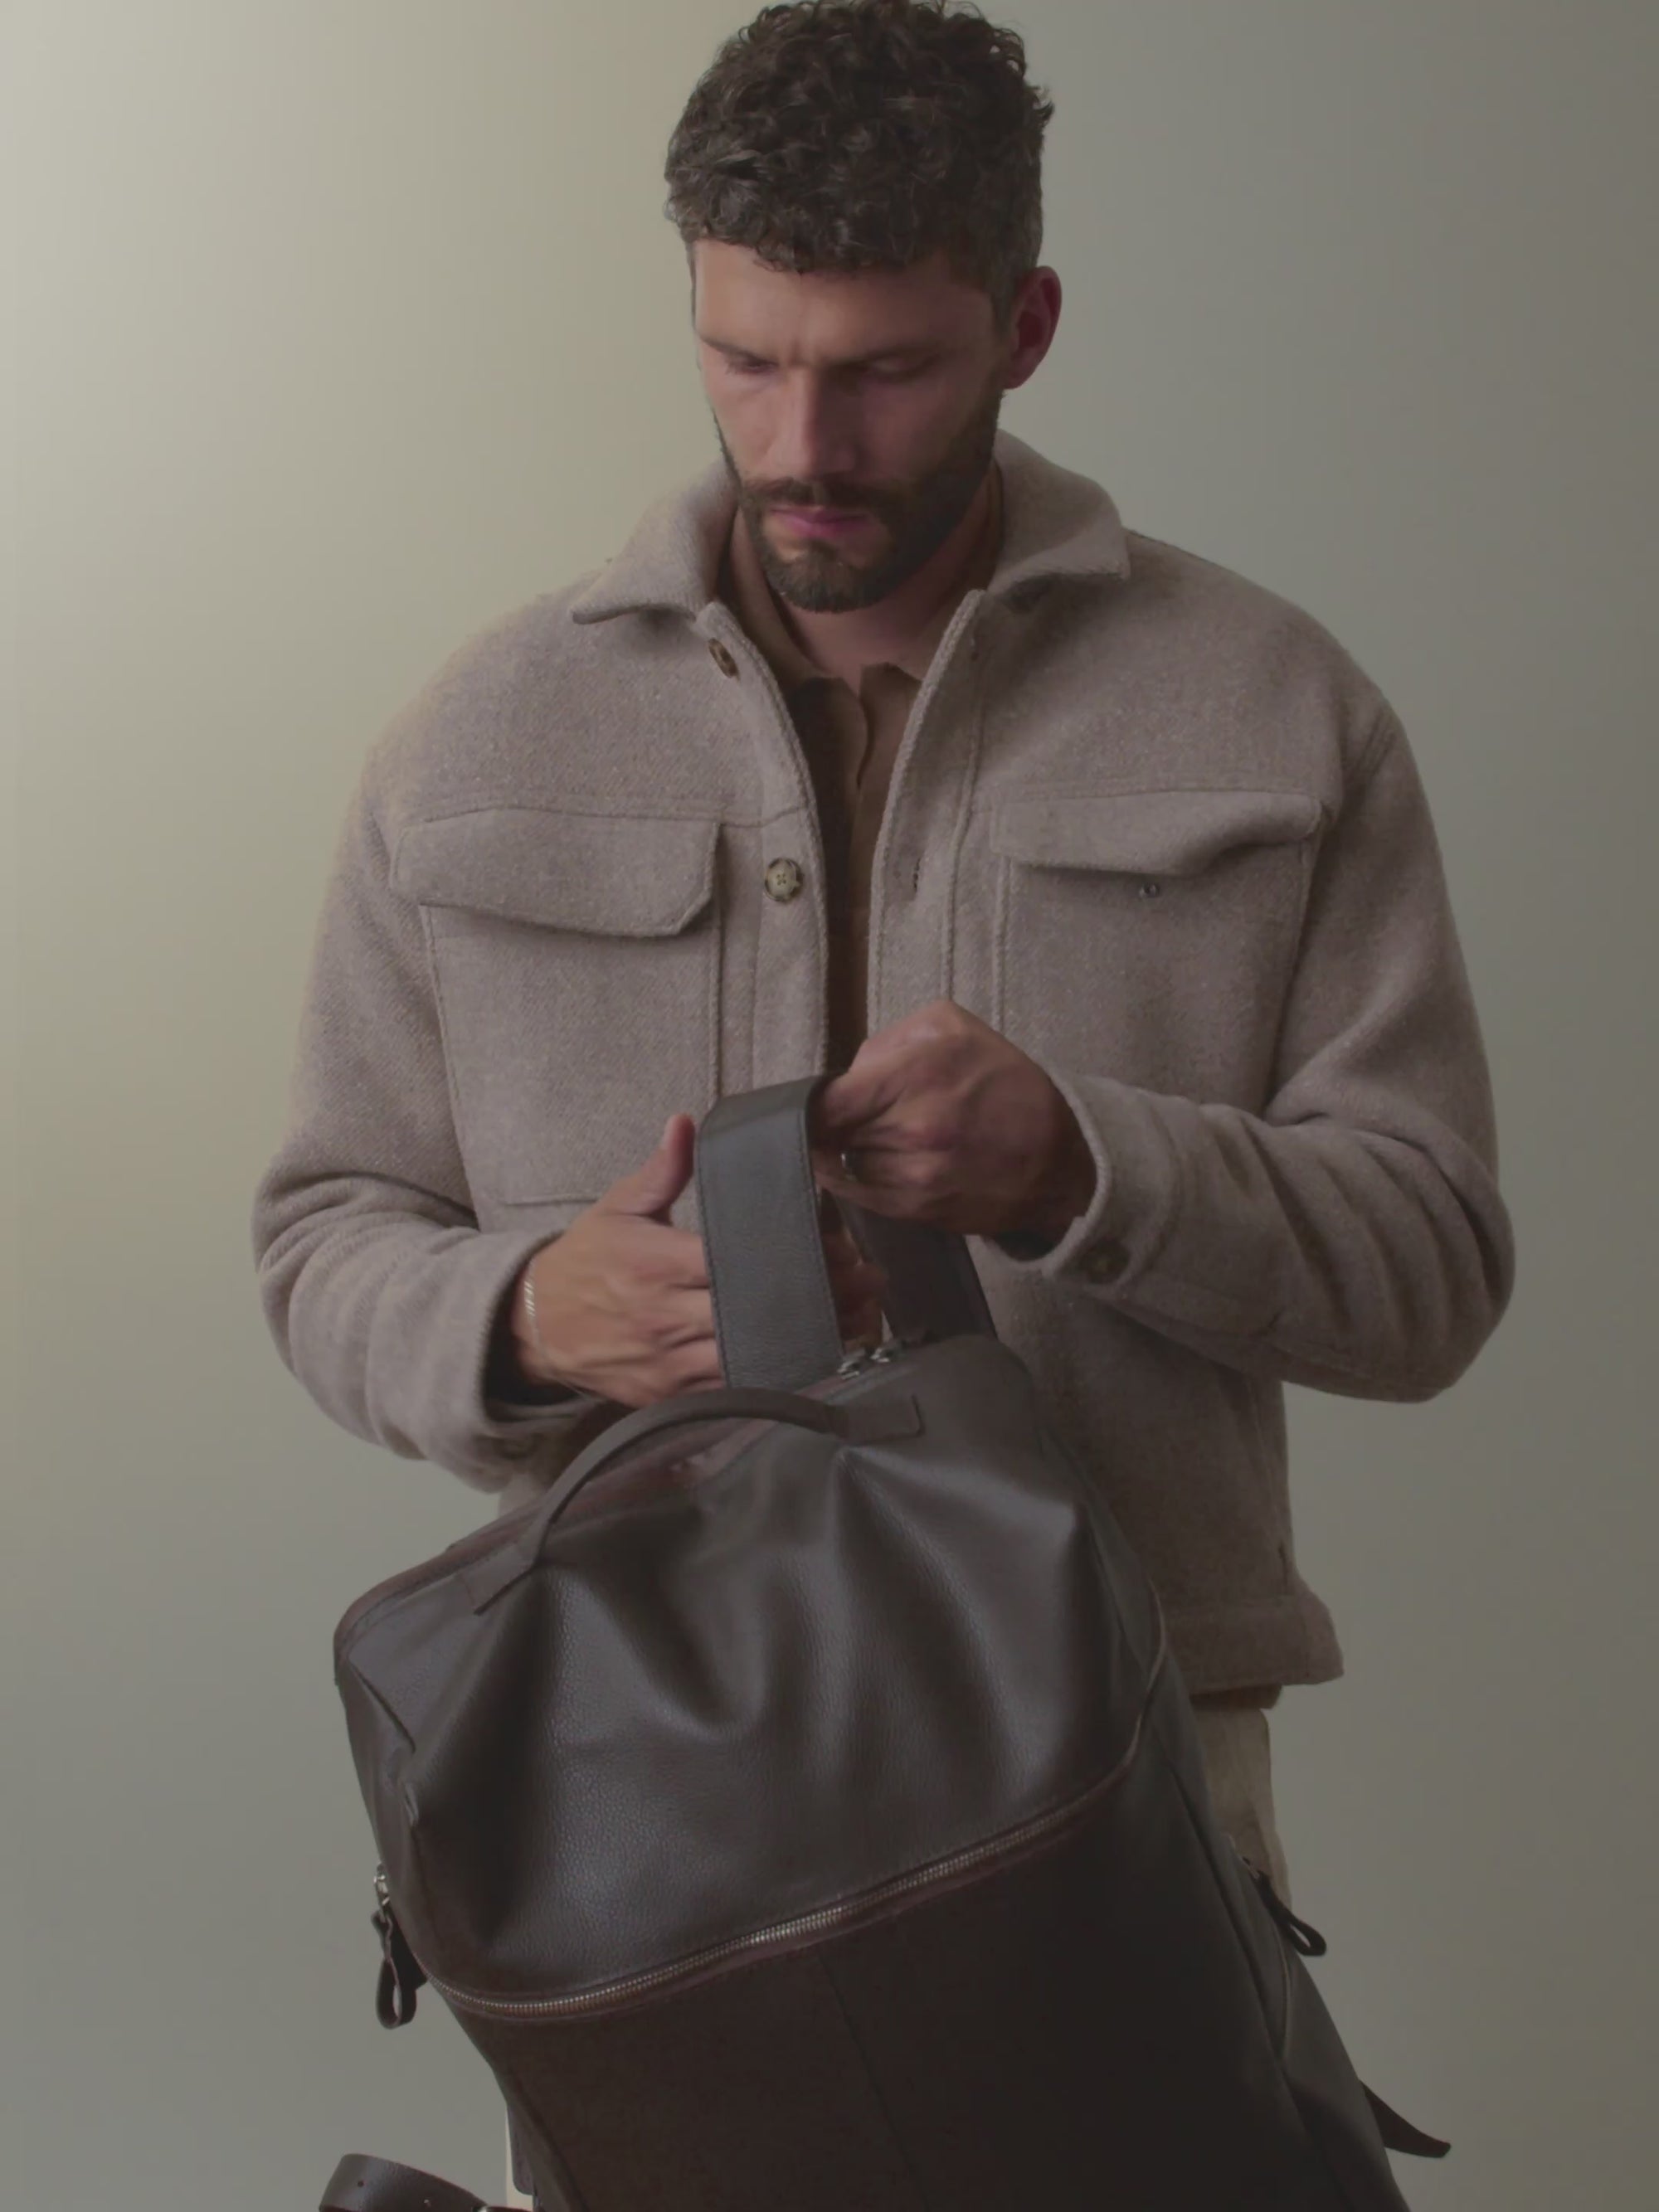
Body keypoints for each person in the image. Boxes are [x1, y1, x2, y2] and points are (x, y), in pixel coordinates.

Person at [251, 2, 1515, 2201]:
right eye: (745, 359)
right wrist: (534, 1314)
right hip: (639, 1786)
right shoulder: (476, 736)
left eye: (887, 369)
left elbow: (1429, 1266)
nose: (803, 438)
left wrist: (1088, 1168)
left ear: (1026, 321)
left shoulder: (1284, 712)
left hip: (1110, 1762)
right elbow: (320, 1230)